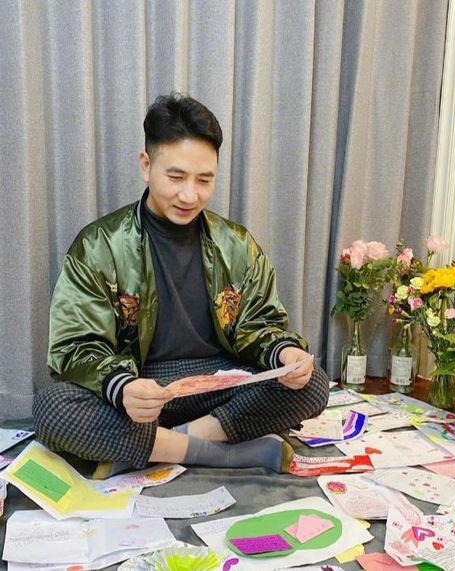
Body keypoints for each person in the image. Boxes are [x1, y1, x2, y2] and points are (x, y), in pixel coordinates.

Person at [33, 93, 329, 476]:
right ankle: (221, 452)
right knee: (53, 407)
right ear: (146, 165)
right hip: (144, 388)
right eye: (176, 177)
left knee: (313, 383)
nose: (190, 195)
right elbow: (77, 347)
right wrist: (123, 387)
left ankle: (163, 445)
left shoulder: (237, 245)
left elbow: (260, 325)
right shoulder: (99, 245)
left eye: (204, 180)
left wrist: (286, 355)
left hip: (220, 384)